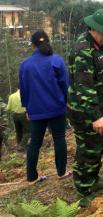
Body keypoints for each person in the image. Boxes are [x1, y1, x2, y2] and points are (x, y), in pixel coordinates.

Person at [67, 9, 103, 206]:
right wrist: (95, 115)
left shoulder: (96, 46)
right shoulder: (83, 50)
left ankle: (93, 181)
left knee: (98, 146)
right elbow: (84, 87)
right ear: (95, 29)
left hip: (97, 109)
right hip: (85, 113)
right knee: (88, 150)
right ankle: (83, 190)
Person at [19, 31, 70, 185]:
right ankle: (61, 172)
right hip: (57, 108)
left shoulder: (25, 65)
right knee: (59, 139)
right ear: (48, 41)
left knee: (34, 142)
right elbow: (65, 84)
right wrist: (65, 102)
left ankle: (32, 177)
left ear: (33, 45)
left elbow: (24, 89)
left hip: (36, 110)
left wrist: (27, 107)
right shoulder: (56, 60)